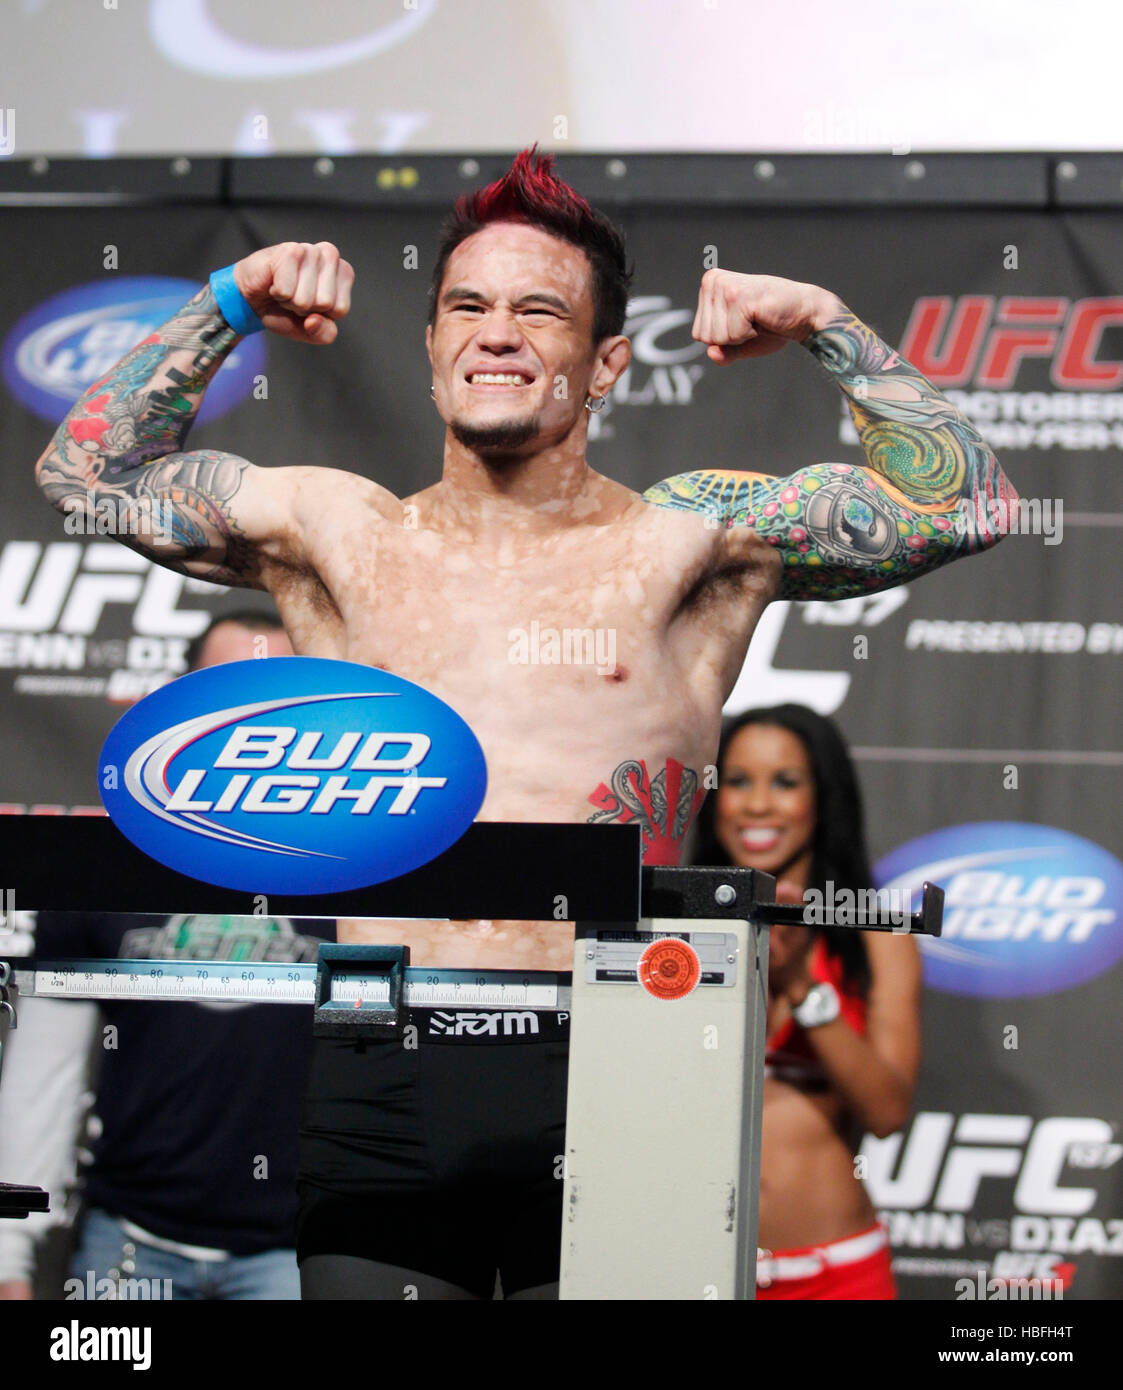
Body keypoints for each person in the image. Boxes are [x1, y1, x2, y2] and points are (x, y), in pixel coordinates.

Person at [32, 147, 1018, 1299]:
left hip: (628, 1053)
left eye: (537, 309)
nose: (495, 332)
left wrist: (823, 321)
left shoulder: (690, 540)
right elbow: (85, 473)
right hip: (385, 1061)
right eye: (467, 305)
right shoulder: (337, 531)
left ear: (604, 364)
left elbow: (971, 503)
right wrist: (226, 303)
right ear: (433, 344)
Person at [0, 610, 335, 1301]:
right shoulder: (108, 866)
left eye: (273, 692)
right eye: (224, 693)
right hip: (127, 1240)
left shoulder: (364, 866)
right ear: (183, 706)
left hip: (299, 1251)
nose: (250, 720)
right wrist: (8, 1250)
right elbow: (45, 1067)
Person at [692, 703, 920, 1299]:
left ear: (824, 799)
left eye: (785, 782)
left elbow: (887, 1111)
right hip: (690, 1269)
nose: (758, 804)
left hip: (836, 1277)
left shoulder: (879, 937)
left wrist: (799, 983)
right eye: (737, 781)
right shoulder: (671, 934)